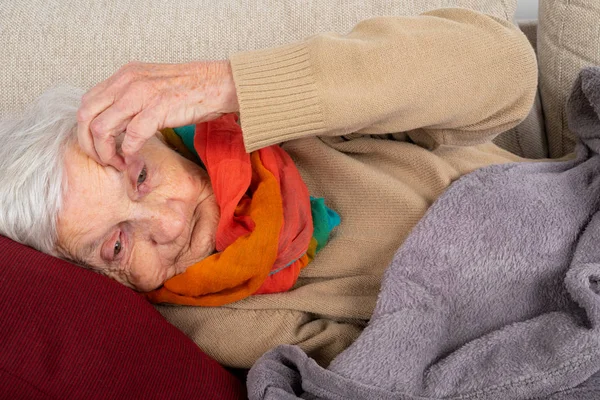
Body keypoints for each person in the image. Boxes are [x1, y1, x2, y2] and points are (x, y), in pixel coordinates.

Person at [0, 8, 538, 368]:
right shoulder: (210, 322)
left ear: (159, 137)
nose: (168, 223)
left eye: (142, 176)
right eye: (118, 245)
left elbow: (509, 73)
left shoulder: (268, 112)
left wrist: (233, 85)